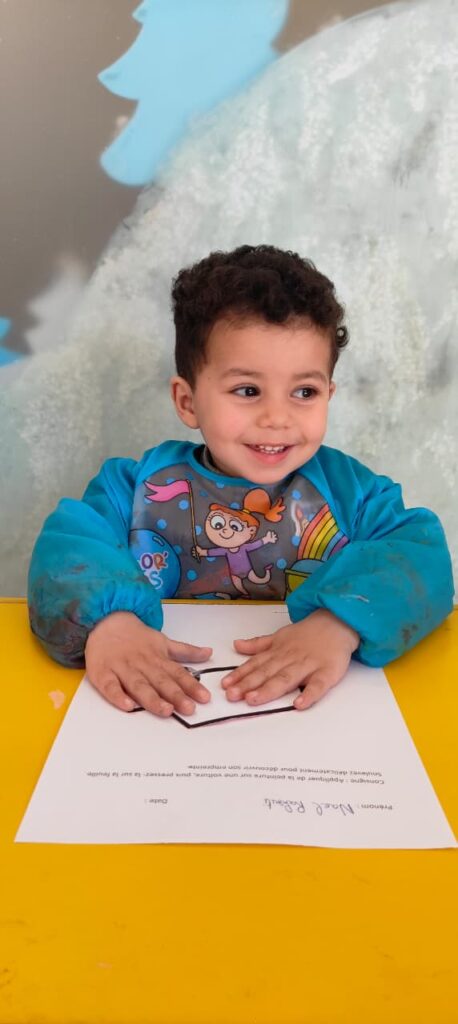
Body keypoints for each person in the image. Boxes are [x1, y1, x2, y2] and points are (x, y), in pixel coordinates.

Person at [28, 245, 454, 719]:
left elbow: (422, 555)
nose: (277, 417)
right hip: (170, 711)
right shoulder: (133, 489)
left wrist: (340, 623)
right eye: (248, 390)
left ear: (329, 394)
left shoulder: (350, 493)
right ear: (188, 401)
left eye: (305, 391)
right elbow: (68, 548)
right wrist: (110, 624)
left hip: (315, 716)